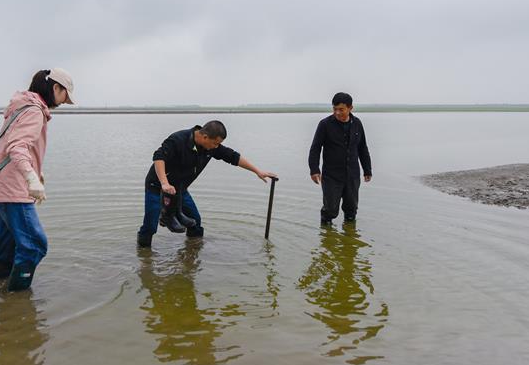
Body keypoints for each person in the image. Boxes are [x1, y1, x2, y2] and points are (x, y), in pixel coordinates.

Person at [0, 68, 75, 291]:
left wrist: (36, 174)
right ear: (56, 88)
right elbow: (17, 147)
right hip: (13, 189)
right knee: (35, 245)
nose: (64, 102)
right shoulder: (34, 111)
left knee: (9, 242)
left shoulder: (21, 105)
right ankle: (17, 303)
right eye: (65, 95)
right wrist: (31, 179)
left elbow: (11, 145)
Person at [137, 121, 277, 248]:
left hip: (180, 188)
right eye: (215, 143)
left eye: (218, 144)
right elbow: (159, 157)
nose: (216, 147)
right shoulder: (178, 139)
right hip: (157, 186)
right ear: (205, 137)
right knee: (150, 226)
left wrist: (257, 171)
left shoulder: (211, 147)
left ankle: (192, 252)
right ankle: (144, 256)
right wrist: (164, 183)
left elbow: (233, 156)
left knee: (195, 220)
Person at [308, 92, 372, 224]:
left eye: (341, 109)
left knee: (351, 209)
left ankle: (349, 238)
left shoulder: (357, 123)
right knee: (330, 210)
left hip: (352, 175)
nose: (337, 112)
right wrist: (314, 169)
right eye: (334, 109)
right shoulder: (325, 124)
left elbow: (362, 148)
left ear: (350, 108)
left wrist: (367, 169)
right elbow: (315, 148)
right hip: (331, 176)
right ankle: (326, 234)